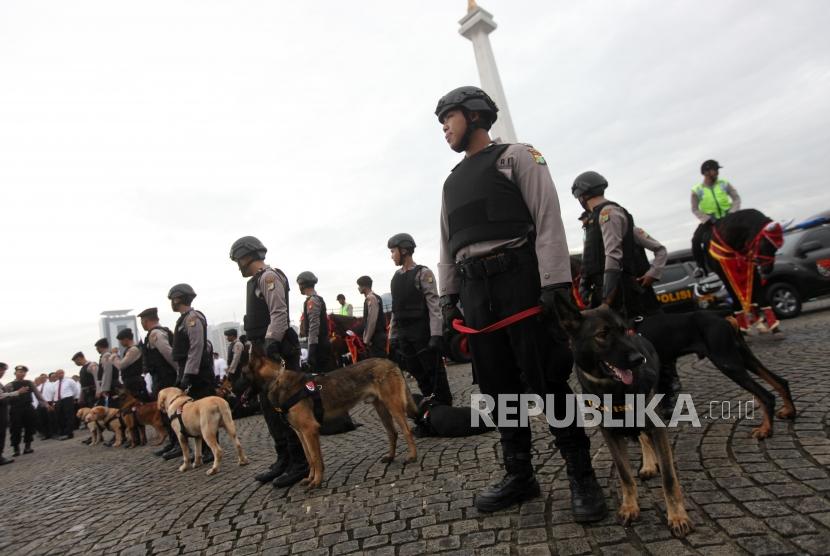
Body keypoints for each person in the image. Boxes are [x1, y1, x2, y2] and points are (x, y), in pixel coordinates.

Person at [435, 86, 606, 520]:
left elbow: (548, 217)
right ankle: (520, 475)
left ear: (473, 116)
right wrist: (449, 297)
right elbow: (445, 243)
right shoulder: (451, 180)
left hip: (519, 279)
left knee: (547, 379)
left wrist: (555, 284)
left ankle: (581, 475)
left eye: (447, 118)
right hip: (475, 292)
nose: (443, 128)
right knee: (497, 388)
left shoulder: (519, 157)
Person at [572, 170, 681, 411]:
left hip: (625, 297)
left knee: (652, 343)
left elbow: (614, 256)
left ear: (580, 195)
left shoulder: (608, 214)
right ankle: (624, 397)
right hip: (607, 298)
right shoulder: (595, 221)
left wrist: (608, 297)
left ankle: (667, 393)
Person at [229, 236, 308, 488]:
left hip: (276, 350)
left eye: (239, 260)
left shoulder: (269, 277)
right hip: (262, 350)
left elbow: (278, 313)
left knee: (284, 407)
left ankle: (300, 463)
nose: (238, 265)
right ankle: (283, 459)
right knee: (268, 406)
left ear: (247, 255)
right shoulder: (254, 282)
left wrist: (272, 343)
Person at [387, 234, 452, 407]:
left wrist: (436, 334)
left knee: (433, 370)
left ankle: (444, 406)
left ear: (404, 250)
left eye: (393, 251)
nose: (392, 255)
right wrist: (392, 335)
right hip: (404, 333)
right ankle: (431, 407)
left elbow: (434, 305)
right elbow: (395, 309)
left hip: (422, 332)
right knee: (417, 371)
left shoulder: (423, 273)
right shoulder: (395, 277)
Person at [168, 283, 217, 463]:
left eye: (172, 299)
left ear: (178, 298)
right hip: (188, 370)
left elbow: (196, 348)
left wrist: (188, 374)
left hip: (199, 374)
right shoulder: (183, 319)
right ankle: (203, 449)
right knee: (195, 413)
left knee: (205, 411)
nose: (171, 303)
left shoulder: (192, 318)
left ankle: (211, 449)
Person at [138, 307, 180, 458]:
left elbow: (168, 353)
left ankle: (178, 444)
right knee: (164, 413)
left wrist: (179, 372)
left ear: (146, 320)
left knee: (170, 412)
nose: (142, 324)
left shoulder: (155, 334)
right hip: (162, 378)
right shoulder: (156, 333)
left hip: (165, 378)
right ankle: (173, 442)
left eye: (142, 321)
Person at [690, 159, 741, 275]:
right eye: (715, 170)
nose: (717, 172)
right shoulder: (697, 190)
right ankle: (700, 267)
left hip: (727, 218)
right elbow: (694, 208)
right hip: (710, 222)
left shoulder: (724, 184)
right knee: (695, 241)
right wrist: (706, 219)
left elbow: (736, 199)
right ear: (706, 172)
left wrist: (733, 212)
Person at [297, 272, 335, 373]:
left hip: (318, 345)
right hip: (321, 343)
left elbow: (314, 326)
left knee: (319, 377)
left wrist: (312, 349)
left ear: (302, 285)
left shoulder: (312, 301)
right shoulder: (315, 299)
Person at [5, 365, 47, 456]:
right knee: (15, 428)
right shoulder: (9, 385)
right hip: (15, 409)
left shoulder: (29, 383)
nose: (22, 373)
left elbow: (37, 394)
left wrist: (45, 404)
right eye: (20, 372)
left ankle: (28, 447)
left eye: (24, 372)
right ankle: (16, 449)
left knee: (30, 426)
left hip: (28, 407)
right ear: (15, 373)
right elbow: (5, 397)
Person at [111, 328, 148, 402]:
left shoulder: (133, 350)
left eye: (121, 341)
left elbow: (121, 365)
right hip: (131, 383)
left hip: (135, 383)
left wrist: (114, 355)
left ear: (126, 339)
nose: (120, 343)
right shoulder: (130, 350)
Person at [357, 276, 388, 358]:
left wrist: (366, 339)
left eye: (359, 286)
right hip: (378, 337)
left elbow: (371, 321)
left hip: (376, 338)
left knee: (379, 366)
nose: (358, 288)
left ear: (364, 287)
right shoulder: (375, 297)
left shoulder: (371, 298)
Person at [47, 369, 81, 440]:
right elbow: (54, 393)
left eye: (61, 373)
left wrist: (74, 398)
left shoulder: (69, 381)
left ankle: (69, 433)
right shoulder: (55, 383)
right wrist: (54, 403)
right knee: (60, 417)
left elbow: (75, 390)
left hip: (67, 399)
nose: (60, 375)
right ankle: (63, 432)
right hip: (58, 401)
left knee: (69, 416)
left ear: (63, 373)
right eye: (58, 374)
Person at [94, 338, 119, 406]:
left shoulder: (106, 356)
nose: (96, 350)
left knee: (112, 405)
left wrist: (105, 389)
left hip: (111, 385)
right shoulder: (108, 355)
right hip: (112, 384)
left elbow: (107, 372)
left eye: (97, 348)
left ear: (100, 347)